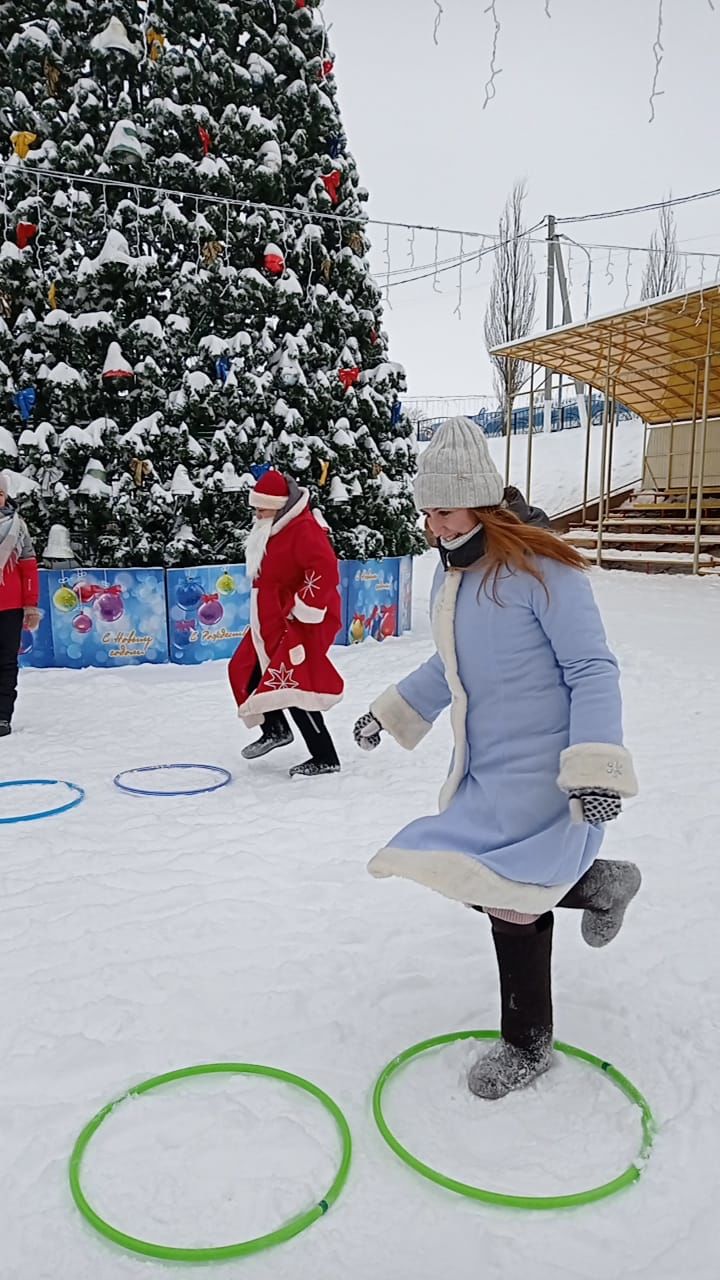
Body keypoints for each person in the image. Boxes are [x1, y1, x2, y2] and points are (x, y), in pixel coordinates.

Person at [354, 417, 640, 1100]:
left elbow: (592, 670)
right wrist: (391, 710)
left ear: (481, 502)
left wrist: (596, 770)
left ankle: (527, 1045)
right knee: (481, 880)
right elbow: (449, 662)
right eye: (425, 512)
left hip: (545, 773)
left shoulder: (546, 571)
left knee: (509, 900)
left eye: (444, 511)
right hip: (486, 769)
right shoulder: (452, 575)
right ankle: (600, 883)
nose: (432, 526)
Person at [229, 468, 344, 777]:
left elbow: (325, 570)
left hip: (297, 621)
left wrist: (302, 608)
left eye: (261, 507)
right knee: (243, 668)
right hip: (269, 620)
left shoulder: (304, 528)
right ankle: (275, 727)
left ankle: (325, 756)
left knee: (294, 685)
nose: (256, 513)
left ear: (279, 504)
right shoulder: (272, 526)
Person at [0, 471, 41, 737]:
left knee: (5, 663)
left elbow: (28, 567)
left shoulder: (18, 526)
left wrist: (30, 604)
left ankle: (2, 717)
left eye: (0, 493)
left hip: (10, 607)